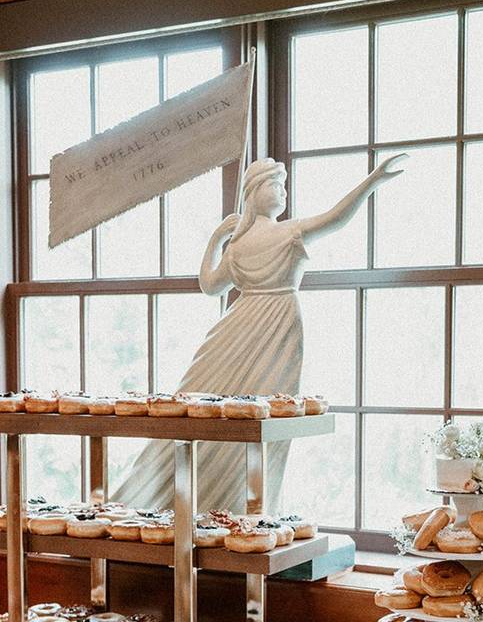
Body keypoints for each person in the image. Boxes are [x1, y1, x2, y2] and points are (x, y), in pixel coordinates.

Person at [113, 153, 407, 512]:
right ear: (252, 192)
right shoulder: (241, 245)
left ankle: (250, 513)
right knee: (201, 407)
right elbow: (210, 286)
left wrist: (370, 182)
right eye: (273, 184)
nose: (281, 192)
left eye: (283, 185)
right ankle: (169, 504)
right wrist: (216, 239)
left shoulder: (289, 231)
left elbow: (335, 218)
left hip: (279, 327)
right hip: (236, 330)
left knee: (267, 424)